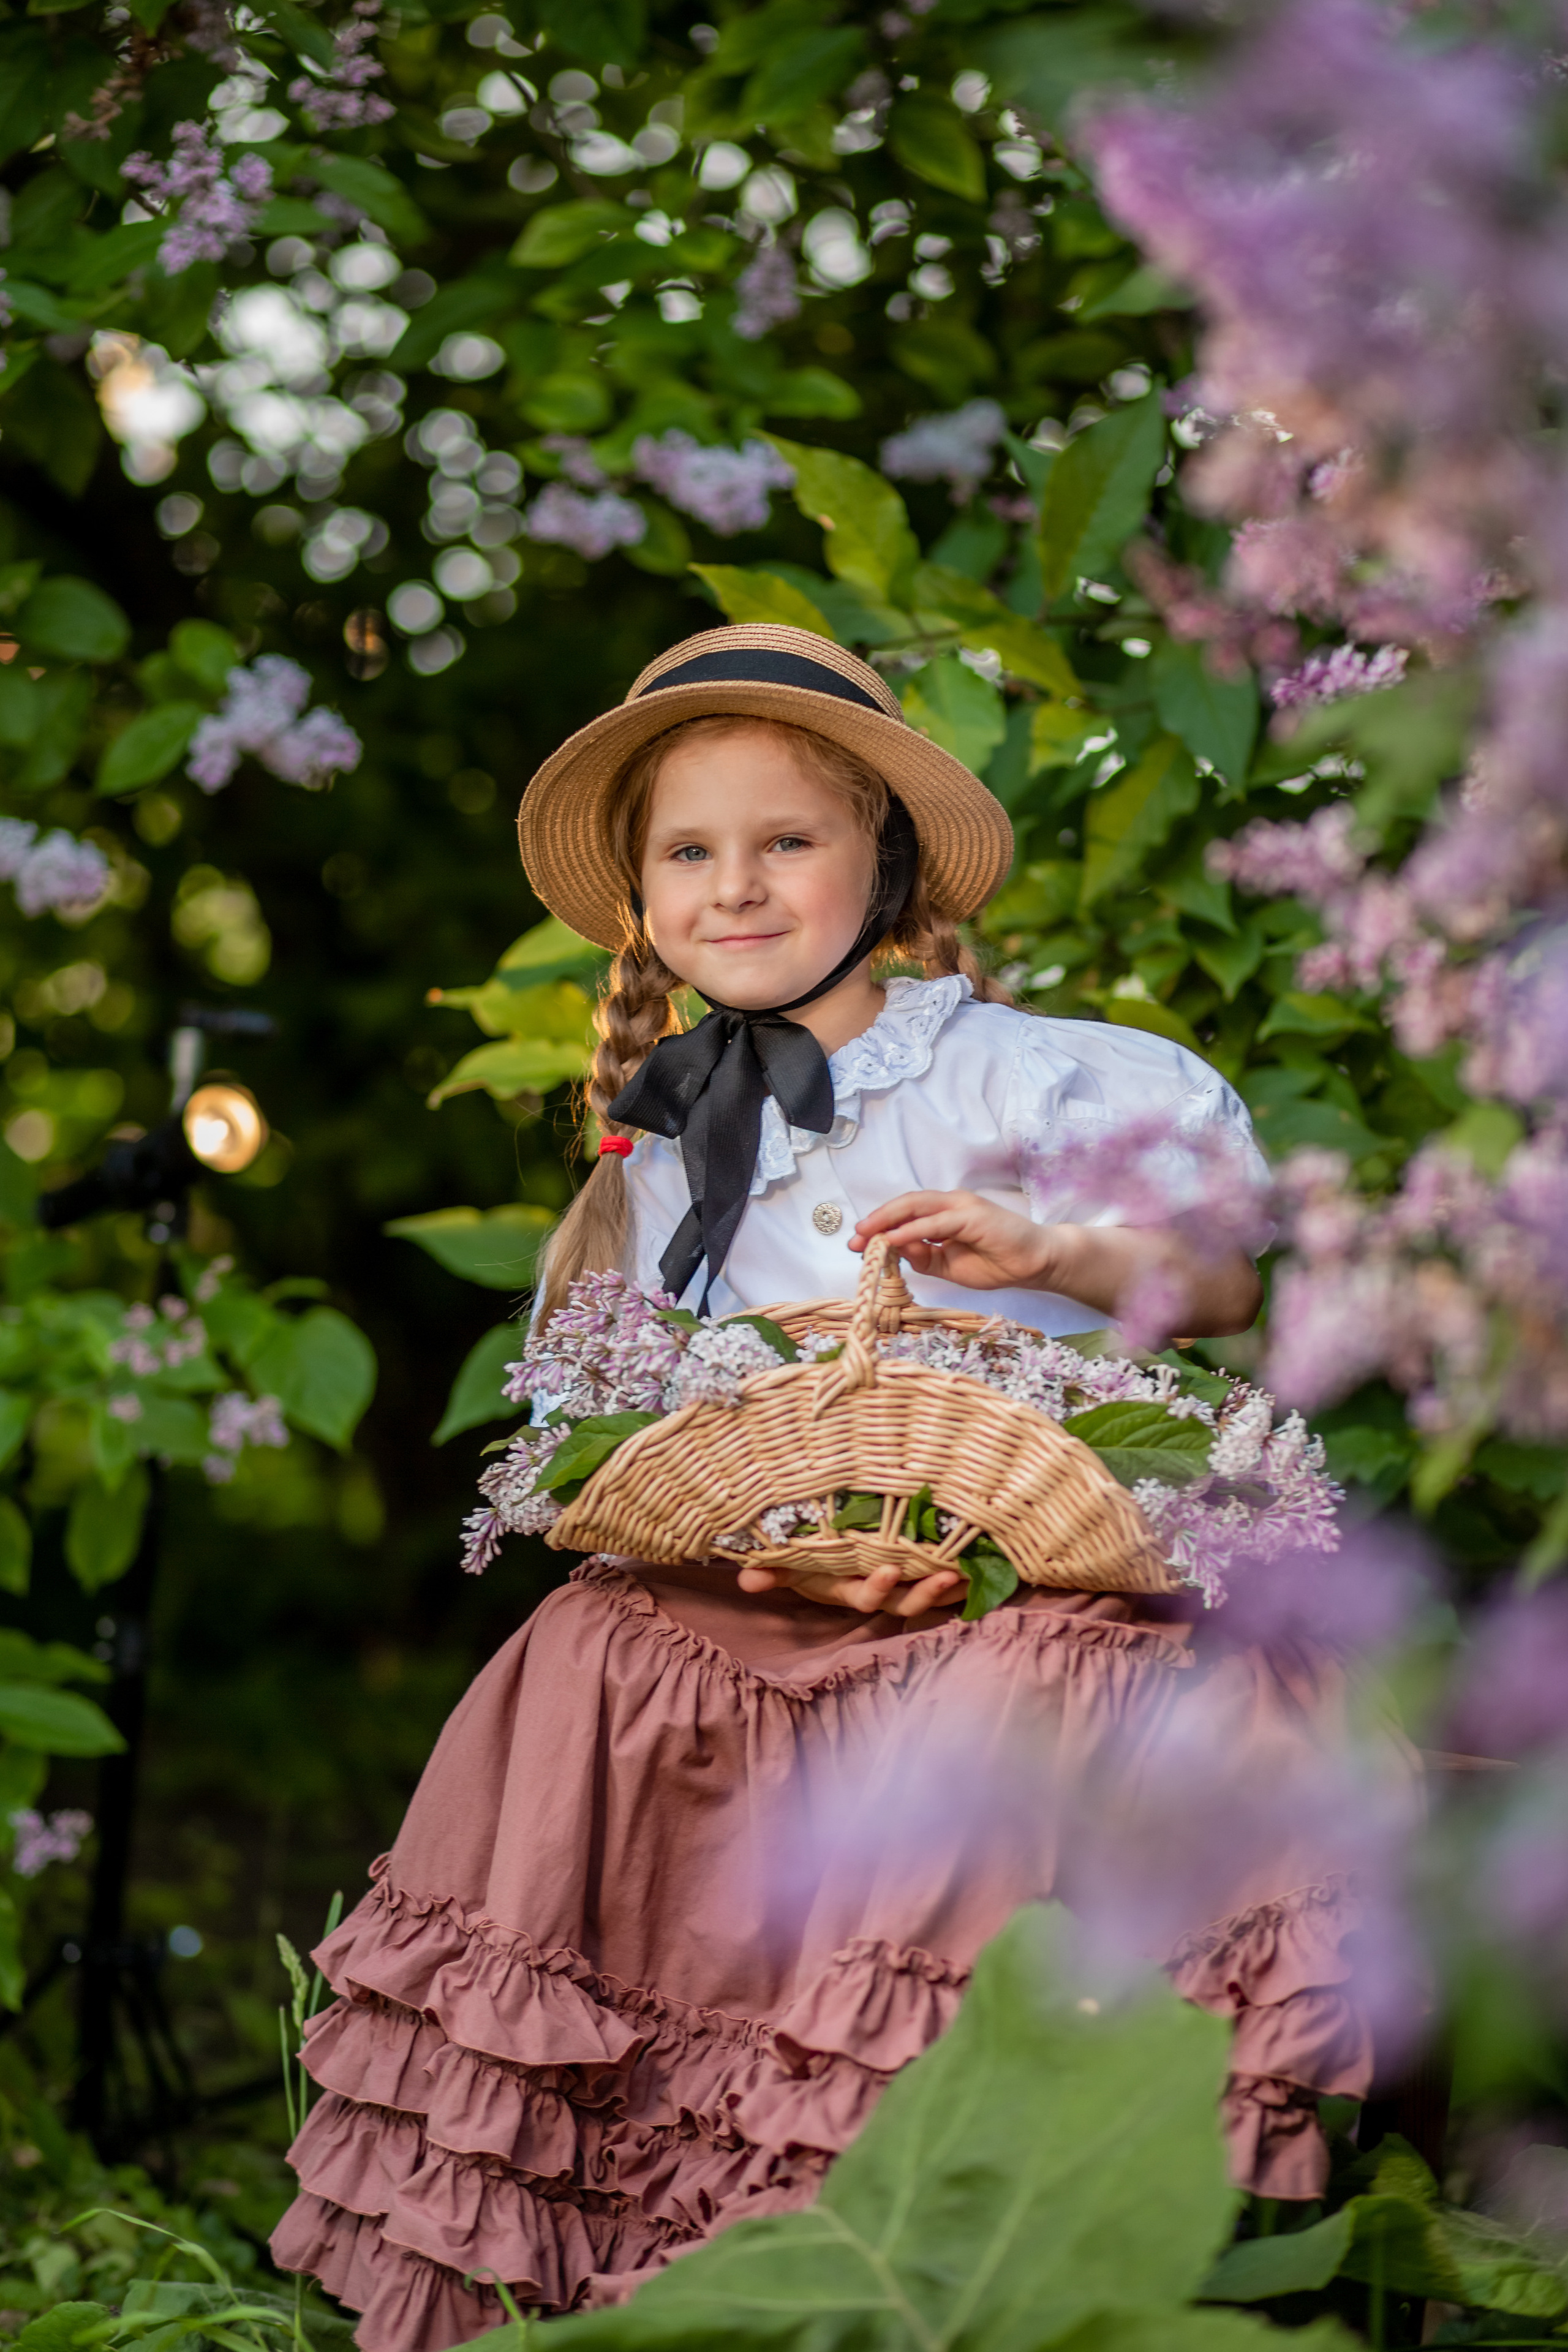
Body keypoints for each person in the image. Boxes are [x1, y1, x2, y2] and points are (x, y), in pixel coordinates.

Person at [273, 627, 1396, 2350]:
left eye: (785, 840)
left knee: (1030, 1692)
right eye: (690, 852)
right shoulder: (660, 1158)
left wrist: (1061, 1249)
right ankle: (648, 2222)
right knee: (590, 1647)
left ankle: (963, 2219)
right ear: (642, 899)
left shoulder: (1037, 1076)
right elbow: (647, 1447)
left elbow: (1239, 1281)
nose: (737, 886)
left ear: (885, 861)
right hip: (786, 1598)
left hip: (1046, 1583)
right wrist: (779, 1548)